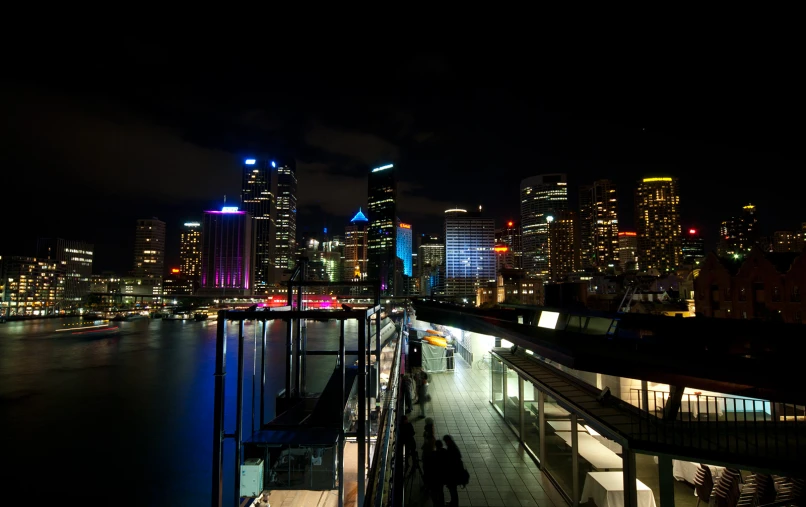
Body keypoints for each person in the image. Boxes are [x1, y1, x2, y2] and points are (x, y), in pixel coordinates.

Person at [443, 434, 463, 507]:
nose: (445, 443)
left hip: (453, 473)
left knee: (453, 489)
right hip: (454, 472)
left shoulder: (451, 448)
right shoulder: (453, 447)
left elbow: (451, 461)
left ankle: (454, 503)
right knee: (452, 489)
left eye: (445, 441)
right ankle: (453, 502)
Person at [430, 440, 447, 506]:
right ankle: (441, 503)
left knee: (434, 490)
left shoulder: (434, 453)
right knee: (440, 490)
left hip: (435, 476)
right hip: (442, 476)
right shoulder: (445, 452)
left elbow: (431, 466)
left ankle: (436, 503)